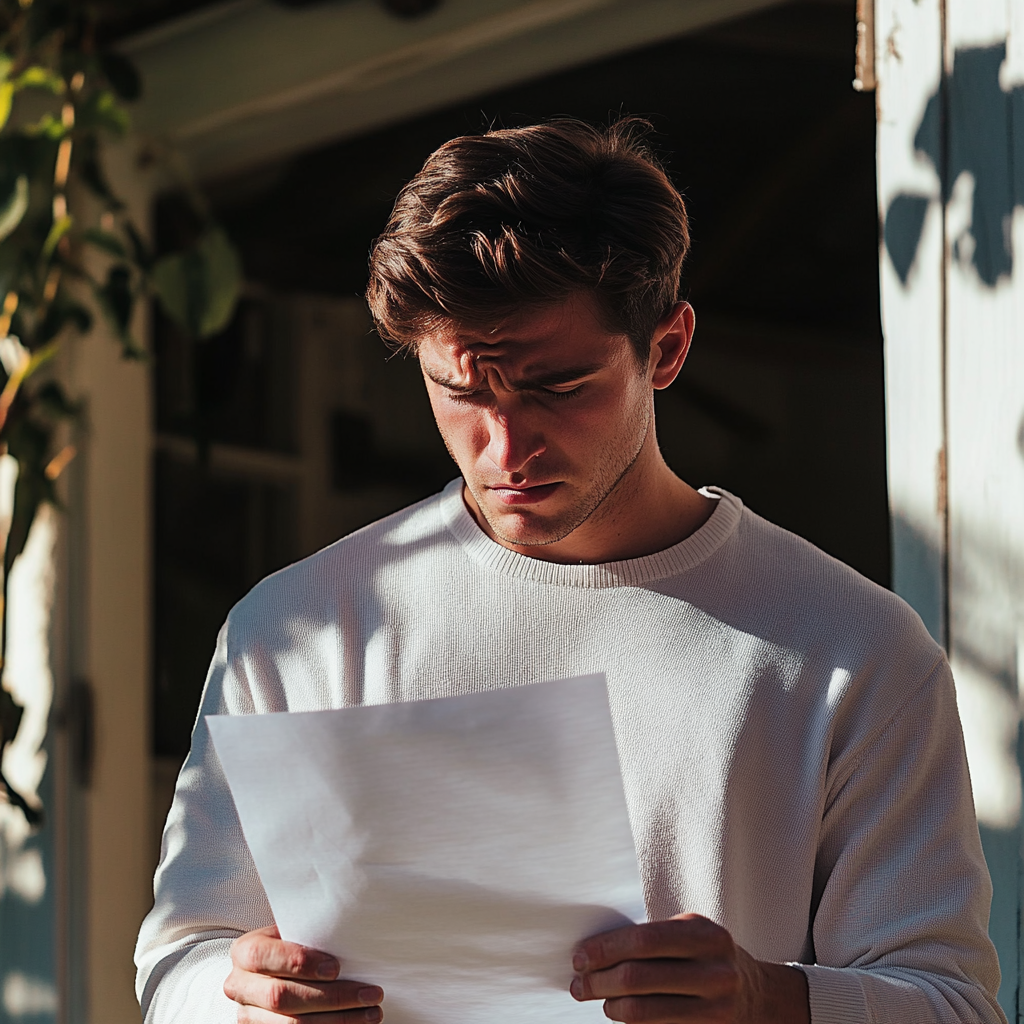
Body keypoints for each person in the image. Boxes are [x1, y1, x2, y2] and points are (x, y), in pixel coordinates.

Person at [135, 119, 1005, 1024]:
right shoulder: (301, 629)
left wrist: (770, 999)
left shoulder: (851, 649)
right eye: (462, 391)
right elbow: (178, 963)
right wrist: (244, 1004)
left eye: (557, 386)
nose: (505, 447)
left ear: (666, 349)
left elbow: (952, 1005)